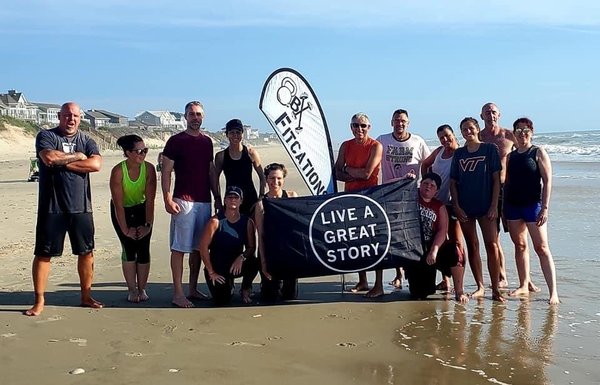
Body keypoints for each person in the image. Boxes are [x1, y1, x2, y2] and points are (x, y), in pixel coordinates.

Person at [26, 102, 103, 316]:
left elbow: (96, 164)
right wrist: (78, 157)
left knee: (86, 252)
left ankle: (86, 296)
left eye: (76, 116)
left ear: (80, 118)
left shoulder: (86, 140)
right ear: (59, 116)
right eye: (67, 115)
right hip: (52, 207)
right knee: (43, 254)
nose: (71, 119)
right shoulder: (46, 136)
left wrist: (63, 163)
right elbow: (48, 157)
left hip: (81, 207)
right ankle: (39, 300)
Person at [161, 100, 222, 308]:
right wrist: (167, 198)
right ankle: (178, 293)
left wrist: (218, 198)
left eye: (198, 114)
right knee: (179, 248)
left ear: (203, 117)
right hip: (183, 201)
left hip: (204, 201)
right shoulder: (176, 141)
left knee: (198, 248)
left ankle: (193, 288)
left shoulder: (207, 142)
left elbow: (211, 171)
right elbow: (167, 171)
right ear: (185, 117)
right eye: (191, 114)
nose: (195, 117)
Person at [373, 109, 431, 295]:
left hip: (411, 195)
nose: (400, 123)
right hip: (389, 194)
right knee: (391, 235)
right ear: (391, 122)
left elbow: (429, 163)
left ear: (408, 123)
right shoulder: (382, 139)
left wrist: (428, 185)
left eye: (403, 121)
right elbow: (371, 155)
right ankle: (398, 274)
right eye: (397, 120)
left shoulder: (418, 141)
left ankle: (411, 274)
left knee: (409, 234)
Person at [504, 118, 559, 304]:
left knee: (541, 247)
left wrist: (544, 208)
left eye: (525, 130)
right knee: (520, 246)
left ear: (531, 131)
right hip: (513, 206)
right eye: (518, 130)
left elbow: (548, 181)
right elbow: (507, 181)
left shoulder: (538, 152)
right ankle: (523, 284)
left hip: (533, 205)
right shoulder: (511, 156)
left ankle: (553, 293)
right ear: (514, 134)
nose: (522, 133)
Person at [450, 117, 504, 302]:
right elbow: (453, 182)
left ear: (477, 128)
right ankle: (480, 286)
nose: (468, 132)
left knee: (492, 245)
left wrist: (494, 205)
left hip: (486, 205)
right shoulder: (459, 153)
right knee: (472, 246)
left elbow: (497, 179)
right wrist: (456, 206)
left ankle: (496, 288)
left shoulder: (490, 149)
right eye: (464, 129)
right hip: (465, 206)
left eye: (471, 128)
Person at [334, 113, 383, 297]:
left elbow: (367, 173)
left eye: (363, 126)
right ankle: (362, 281)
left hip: (370, 199)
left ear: (369, 127)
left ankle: (378, 285)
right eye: (356, 125)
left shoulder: (375, 146)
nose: (359, 129)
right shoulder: (345, 146)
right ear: (351, 127)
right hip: (350, 199)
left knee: (375, 241)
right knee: (356, 240)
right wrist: (351, 172)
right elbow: (337, 172)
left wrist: (347, 170)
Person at [405, 172, 469, 303]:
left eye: (432, 186)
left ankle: (459, 291)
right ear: (420, 185)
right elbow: (394, 191)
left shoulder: (439, 206)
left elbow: (442, 230)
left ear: (437, 190)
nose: (428, 187)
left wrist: (434, 251)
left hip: (432, 248)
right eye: (425, 183)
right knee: (420, 294)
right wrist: (405, 180)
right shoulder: (410, 197)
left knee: (455, 252)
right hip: (414, 250)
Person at [421, 125, 467, 298]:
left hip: (452, 204)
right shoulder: (439, 151)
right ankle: (445, 280)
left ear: (453, 134)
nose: (445, 140)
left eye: (447, 136)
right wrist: (427, 181)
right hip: (436, 203)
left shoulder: (461, 153)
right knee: (439, 239)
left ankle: (458, 284)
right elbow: (425, 164)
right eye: (441, 138)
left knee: (456, 243)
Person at [109, 135, 157, 303]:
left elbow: (150, 201)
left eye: (145, 150)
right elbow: (118, 205)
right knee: (129, 248)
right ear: (127, 153)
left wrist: (148, 225)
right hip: (122, 210)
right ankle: (131, 289)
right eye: (139, 151)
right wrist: (125, 229)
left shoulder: (149, 169)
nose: (143, 154)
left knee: (143, 248)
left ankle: (142, 289)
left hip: (141, 209)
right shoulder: (118, 171)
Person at [199, 186, 257, 305]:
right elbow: (203, 248)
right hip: (218, 267)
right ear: (225, 200)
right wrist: (211, 272)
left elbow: (251, 247)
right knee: (222, 301)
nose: (233, 200)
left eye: (236, 197)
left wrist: (242, 257)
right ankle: (228, 286)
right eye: (229, 197)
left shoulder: (247, 222)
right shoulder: (215, 222)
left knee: (254, 262)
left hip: (236, 264)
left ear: (241, 201)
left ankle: (245, 289)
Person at [254, 163, 299, 301]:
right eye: (272, 178)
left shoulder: (291, 196)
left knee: (289, 297)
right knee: (270, 298)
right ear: (266, 180)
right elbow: (260, 235)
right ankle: (264, 286)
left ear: (283, 179)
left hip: (289, 251)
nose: (275, 182)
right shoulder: (261, 204)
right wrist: (263, 263)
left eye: (279, 178)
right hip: (270, 251)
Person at [480, 102, 513, 288]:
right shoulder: (478, 137)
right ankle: (501, 275)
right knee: (494, 237)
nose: (490, 115)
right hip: (487, 191)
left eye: (493, 112)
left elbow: (527, 152)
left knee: (519, 237)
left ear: (499, 115)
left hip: (508, 190)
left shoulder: (509, 135)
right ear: (481, 116)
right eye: (487, 113)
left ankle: (526, 281)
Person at [215, 118, 266, 217]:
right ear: (227, 134)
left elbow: (262, 176)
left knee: (250, 230)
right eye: (232, 132)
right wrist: (217, 199)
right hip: (231, 199)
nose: (235, 136)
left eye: (238, 132)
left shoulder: (251, 153)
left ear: (242, 134)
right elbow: (215, 179)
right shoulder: (221, 156)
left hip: (250, 199)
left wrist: (261, 197)